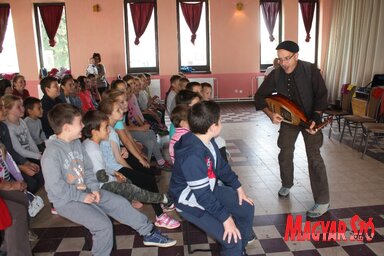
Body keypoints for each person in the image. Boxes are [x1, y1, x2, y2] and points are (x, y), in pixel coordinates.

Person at [41, 103, 177, 256]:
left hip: (87, 191)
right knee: (103, 225)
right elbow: (55, 188)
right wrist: (82, 196)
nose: (83, 126)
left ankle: (149, 233)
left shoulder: (76, 143)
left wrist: (93, 188)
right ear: (66, 128)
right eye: (79, 123)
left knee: (119, 203)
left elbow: (87, 170)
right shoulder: (51, 154)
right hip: (66, 200)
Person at [254, 40, 330, 218]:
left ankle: (322, 201)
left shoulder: (311, 70)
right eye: (280, 59)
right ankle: (287, 183)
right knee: (285, 151)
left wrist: (316, 118)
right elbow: (259, 97)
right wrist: (271, 114)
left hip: (311, 119)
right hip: (289, 120)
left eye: (287, 58)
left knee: (314, 158)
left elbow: (321, 96)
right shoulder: (276, 74)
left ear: (296, 56)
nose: (283, 63)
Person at [170, 101, 254, 256]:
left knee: (246, 208)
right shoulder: (192, 155)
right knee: (231, 239)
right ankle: (236, 247)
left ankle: (239, 249)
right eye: (220, 120)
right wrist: (226, 219)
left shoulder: (207, 140)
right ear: (212, 127)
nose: (221, 123)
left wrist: (238, 187)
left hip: (208, 189)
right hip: (189, 199)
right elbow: (202, 196)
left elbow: (221, 167)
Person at [82, 110, 174, 209]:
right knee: (134, 190)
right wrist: (116, 177)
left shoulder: (90, 143)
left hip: (104, 176)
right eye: (105, 128)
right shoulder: (94, 150)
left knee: (130, 182)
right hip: (100, 185)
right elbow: (101, 177)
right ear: (94, 132)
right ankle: (164, 200)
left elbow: (101, 165)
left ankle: (131, 201)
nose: (109, 130)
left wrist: (115, 173)